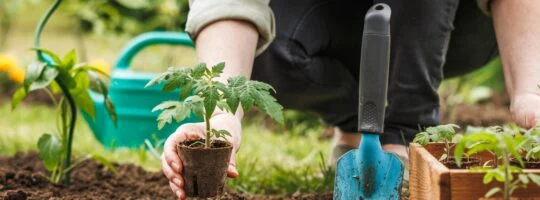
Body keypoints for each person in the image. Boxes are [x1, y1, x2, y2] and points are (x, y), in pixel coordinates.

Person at [161, 0, 540, 199]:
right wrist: (225, 116)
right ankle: (360, 128)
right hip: (327, 16)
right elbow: (229, 4)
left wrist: (529, 92)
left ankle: (403, 133)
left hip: (457, 21)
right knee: (272, 51)